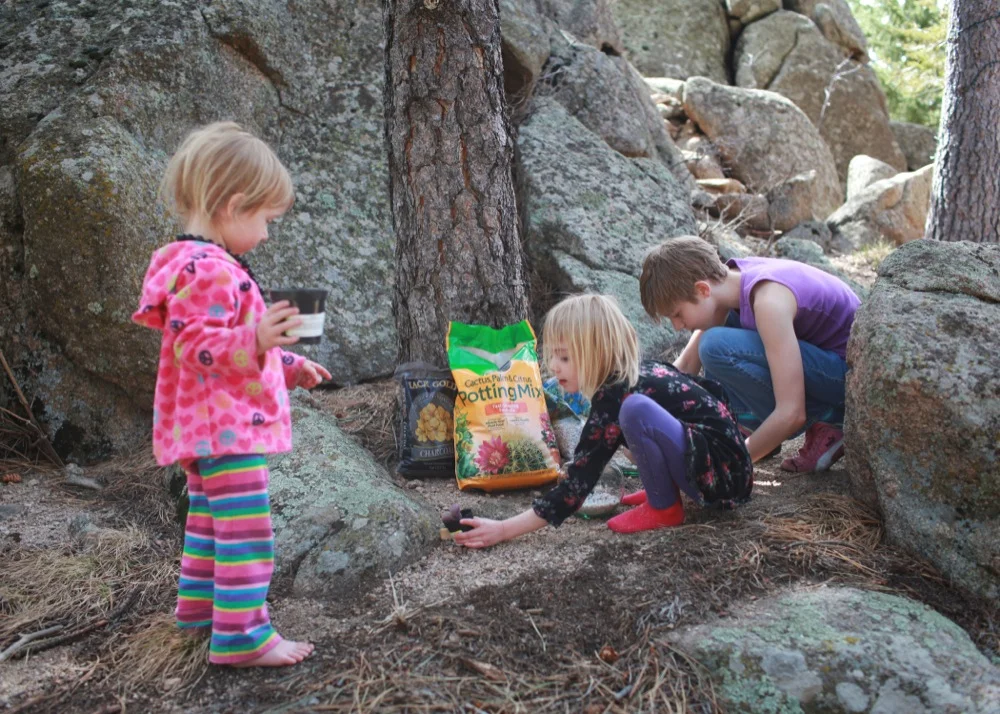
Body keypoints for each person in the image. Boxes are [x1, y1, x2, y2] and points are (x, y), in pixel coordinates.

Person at [133, 122, 331, 667]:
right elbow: (198, 347)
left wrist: (289, 364)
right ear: (234, 204)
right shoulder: (210, 272)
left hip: (207, 427)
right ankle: (244, 635)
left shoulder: (197, 265)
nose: (266, 234)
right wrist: (260, 339)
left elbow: (227, 348)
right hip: (226, 428)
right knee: (246, 532)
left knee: (208, 524)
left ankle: (200, 614)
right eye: (265, 220)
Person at [453, 295, 752, 546]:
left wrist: (503, 529)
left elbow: (578, 483)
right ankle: (662, 490)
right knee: (635, 414)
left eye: (565, 358)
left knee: (635, 410)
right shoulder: (642, 371)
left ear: (597, 353)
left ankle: (664, 507)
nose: (553, 366)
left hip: (725, 480)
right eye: (552, 355)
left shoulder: (615, 395)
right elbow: (711, 393)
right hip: (732, 467)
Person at [639, 235, 860, 472]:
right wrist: (643, 418)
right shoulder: (728, 284)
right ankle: (753, 426)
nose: (677, 326)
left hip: (848, 379)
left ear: (702, 289)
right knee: (714, 337)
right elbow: (686, 366)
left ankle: (828, 417)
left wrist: (728, 467)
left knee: (715, 346)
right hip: (820, 363)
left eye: (677, 314)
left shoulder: (768, 302)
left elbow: (791, 412)